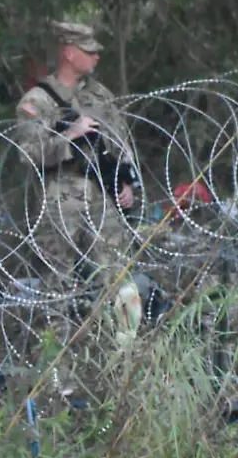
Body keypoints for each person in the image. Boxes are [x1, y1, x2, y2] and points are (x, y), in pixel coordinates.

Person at [13, 20, 142, 348]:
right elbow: (27, 154)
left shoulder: (101, 96)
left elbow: (120, 143)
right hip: (61, 197)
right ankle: (56, 373)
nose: (96, 57)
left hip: (103, 194)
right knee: (57, 285)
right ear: (69, 53)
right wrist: (68, 137)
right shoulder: (37, 101)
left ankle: (124, 359)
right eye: (89, 52)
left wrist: (126, 182)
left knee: (120, 277)